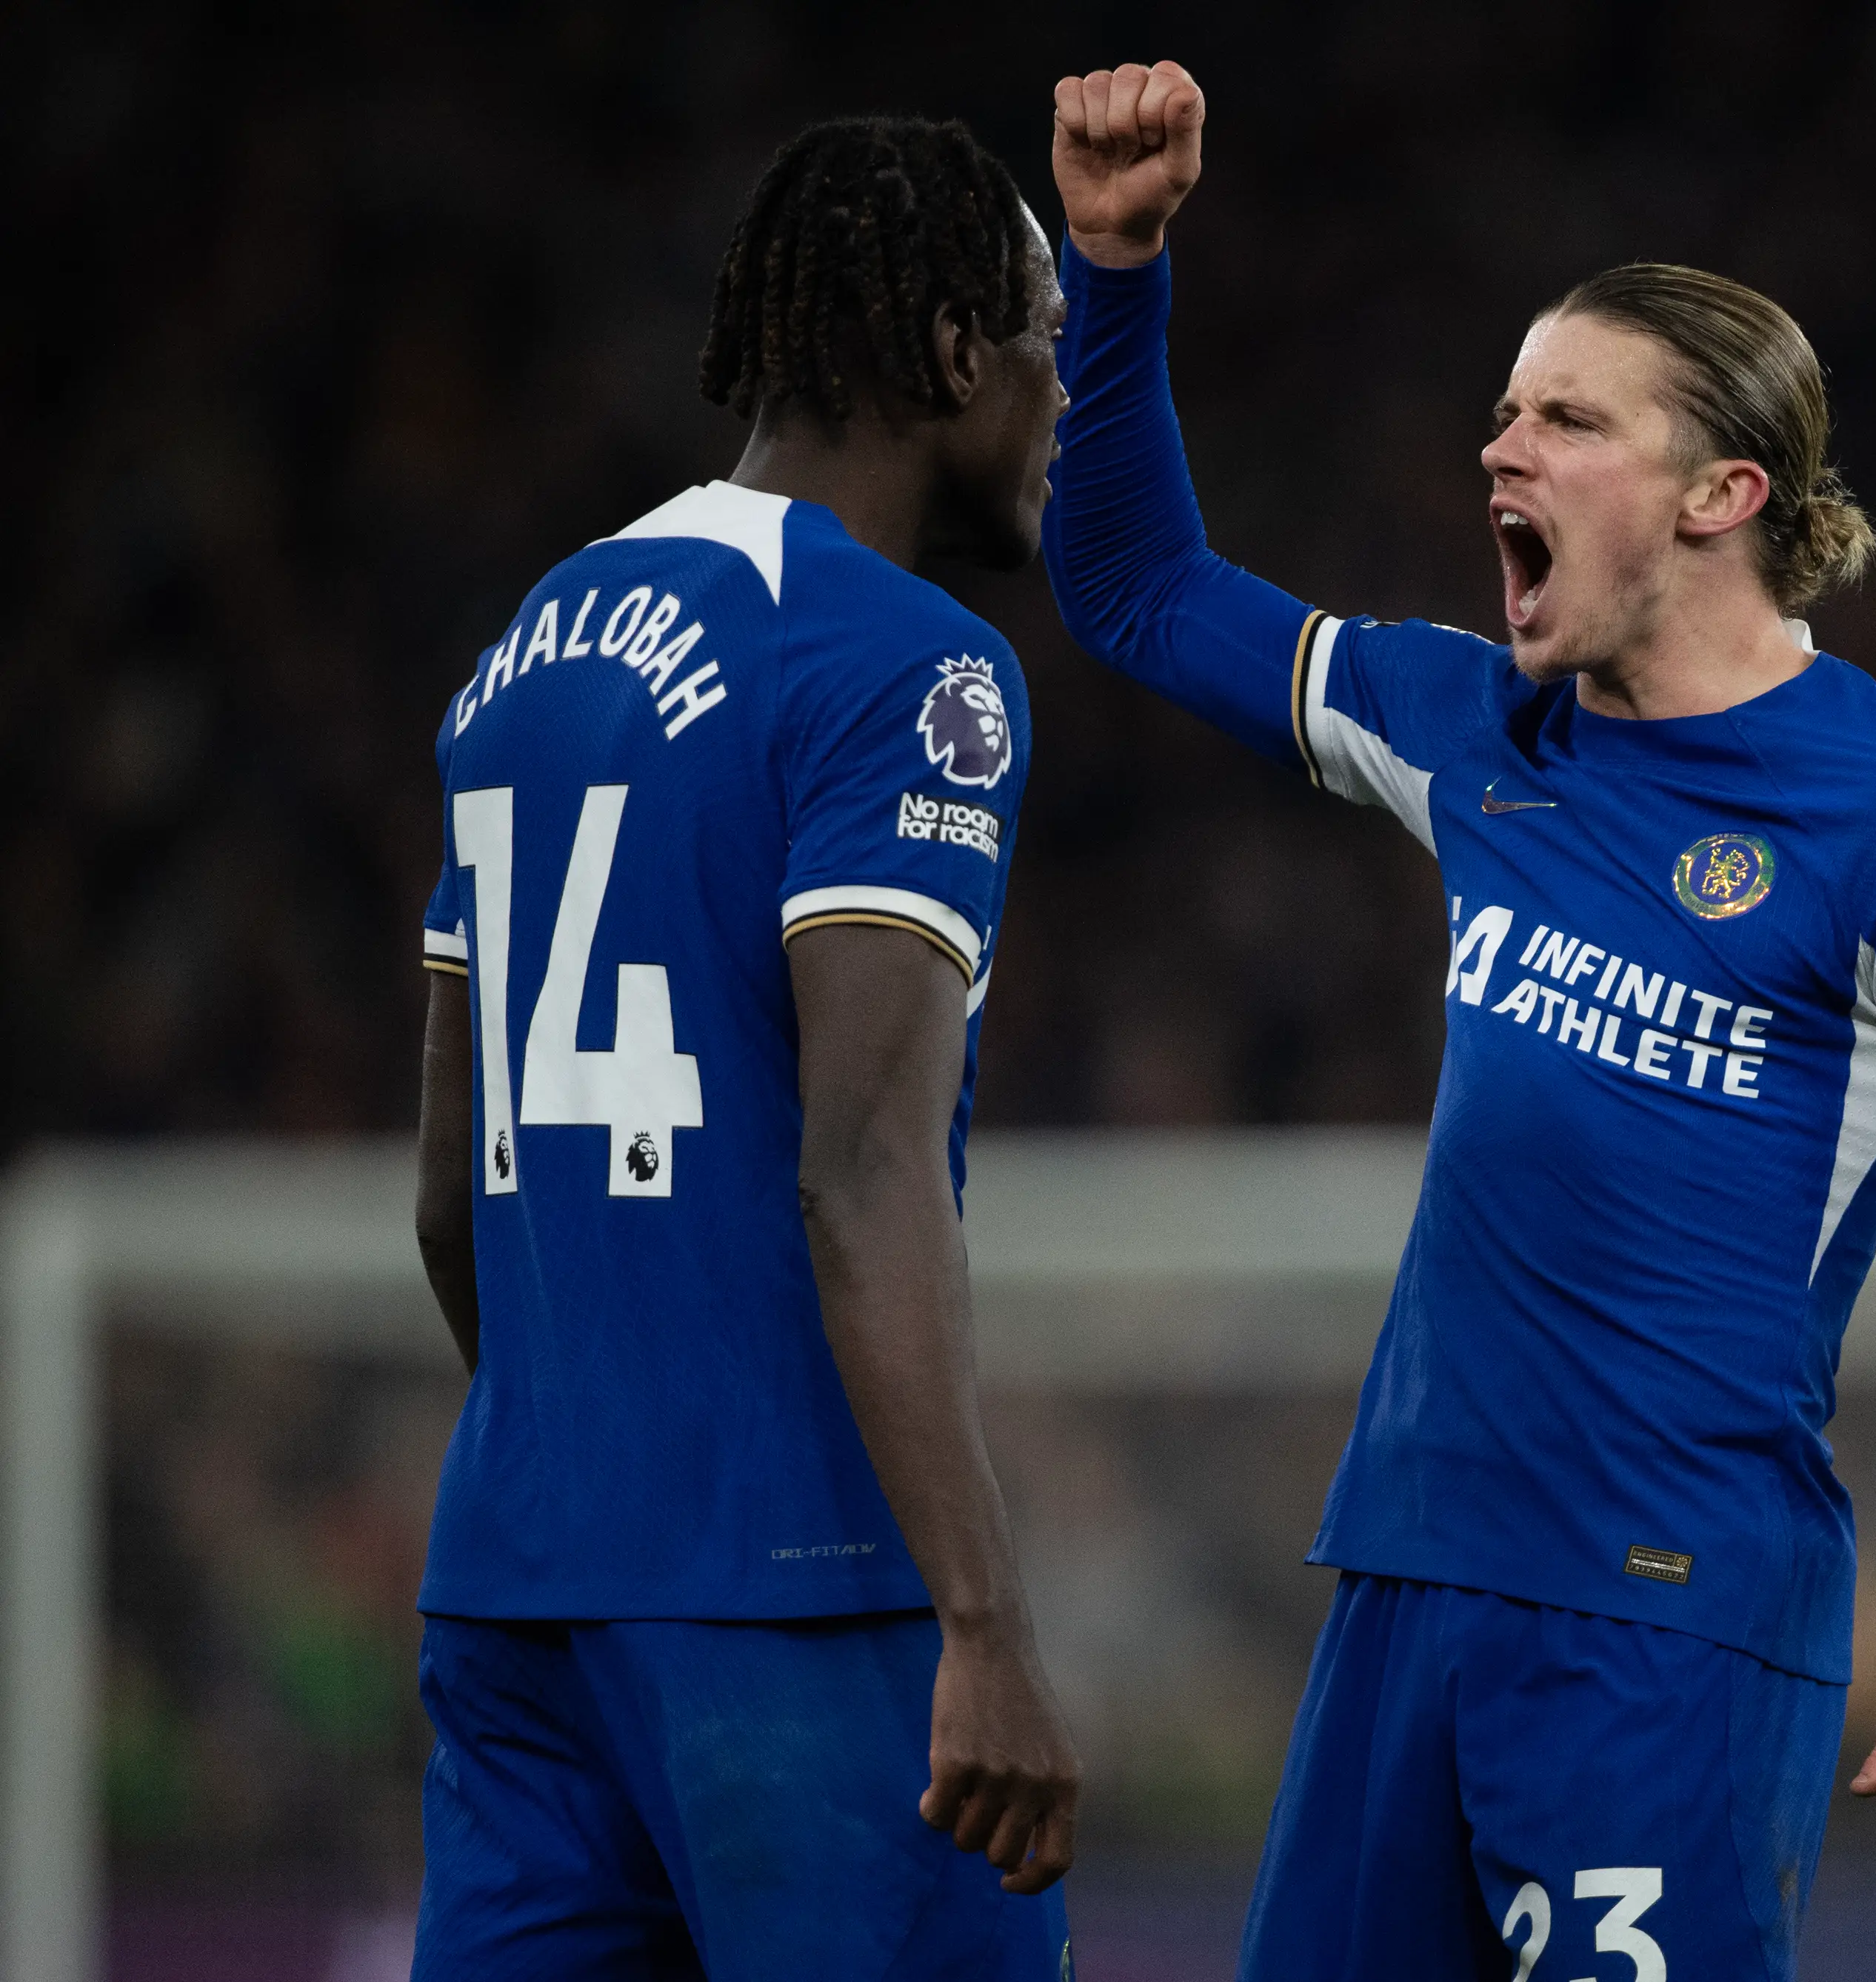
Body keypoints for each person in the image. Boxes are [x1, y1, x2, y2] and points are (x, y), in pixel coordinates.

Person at [1046, 62, 1876, 1979]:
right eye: (1502, 410)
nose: (1502, 450)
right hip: (1408, 1579)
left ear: (1725, 491)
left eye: (1568, 417)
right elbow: (1138, 586)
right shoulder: (1479, 733)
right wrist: (1119, 266)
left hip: (1668, 1625)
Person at [409, 116, 1079, 1979]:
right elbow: (859, 1173)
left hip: (520, 1598)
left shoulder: (519, 656)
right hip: (802, 1598)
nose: (1060, 401)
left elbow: (453, 1204)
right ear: (957, 355)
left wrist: (595, 1475)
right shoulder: (904, 666)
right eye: (1047, 344)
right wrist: (988, 1620)